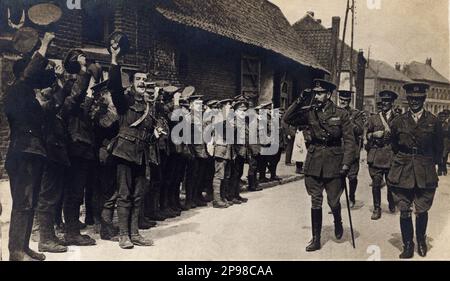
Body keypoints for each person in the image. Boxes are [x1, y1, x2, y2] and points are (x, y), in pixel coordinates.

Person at [283, 79, 355, 252]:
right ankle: (316, 239)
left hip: (334, 162)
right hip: (314, 161)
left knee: (333, 201)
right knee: (316, 200)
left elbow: (350, 142)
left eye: (320, 93)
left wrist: (346, 164)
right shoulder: (310, 112)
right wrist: (300, 99)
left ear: (329, 94)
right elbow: (288, 118)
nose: (316, 95)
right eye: (315, 92)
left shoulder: (341, 114)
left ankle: (337, 219)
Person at [4, 32, 55, 261]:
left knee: (30, 203)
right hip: (22, 153)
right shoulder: (16, 89)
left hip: (33, 153)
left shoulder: (28, 97)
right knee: (22, 203)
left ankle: (23, 248)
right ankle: (15, 251)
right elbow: (31, 73)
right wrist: (43, 45)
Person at [388, 82, 443, 259]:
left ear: (424, 99)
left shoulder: (434, 122)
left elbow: (438, 148)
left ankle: (420, 241)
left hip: (425, 170)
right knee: (404, 209)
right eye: (411, 98)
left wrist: (428, 164)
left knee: (422, 209)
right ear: (407, 99)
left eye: (418, 99)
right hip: (403, 169)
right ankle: (408, 245)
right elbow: (394, 146)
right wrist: (403, 160)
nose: (414, 102)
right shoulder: (398, 121)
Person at [107, 46, 155, 249]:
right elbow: (115, 88)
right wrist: (115, 59)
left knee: (138, 195)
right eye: (138, 79)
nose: (142, 82)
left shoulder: (148, 105)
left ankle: (135, 233)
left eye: (144, 79)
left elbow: (148, 130)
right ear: (132, 83)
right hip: (125, 153)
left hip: (142, 154)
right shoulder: (125, 101)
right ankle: (123, 235)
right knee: (124, 195)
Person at [366, 90, 399, 220]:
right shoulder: (374, 118)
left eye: (388, 101)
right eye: (383, 101)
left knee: (391, 183)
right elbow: (367, 135)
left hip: (391, 155)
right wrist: (374, 135)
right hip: (377, 155)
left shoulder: (398, 119)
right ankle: (376, 208)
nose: (385, 103)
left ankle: (391, 201)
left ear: (392, 103)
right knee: (376, 183)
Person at [337, 90, 365, 208]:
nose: (343, 102)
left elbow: (359, 130)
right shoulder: (335, 112)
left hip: (352, 150)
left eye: (345, 100)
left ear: (349, 101)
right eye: (341, 100)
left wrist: (347, 121)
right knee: (337, 178)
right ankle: (335, 202)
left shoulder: (356, 114)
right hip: (338, 150)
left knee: (352, 177)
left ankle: (351, 196)